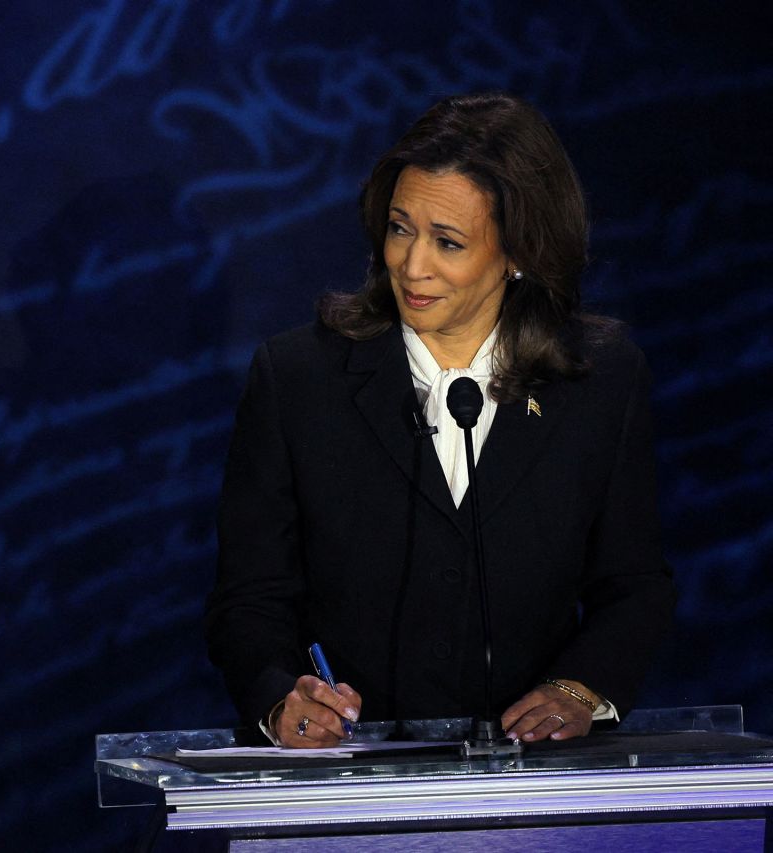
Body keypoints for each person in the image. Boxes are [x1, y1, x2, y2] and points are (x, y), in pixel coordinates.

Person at [205, 92, 675, 748]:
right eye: (400, 228)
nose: (412, 265)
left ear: (519, 251)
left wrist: (579, 688)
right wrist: (280, 694)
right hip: (348, 783)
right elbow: (249, 598)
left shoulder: (598, 377)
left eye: (447, 242)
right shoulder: (298, 378)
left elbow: (634, 585)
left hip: (534, 790)